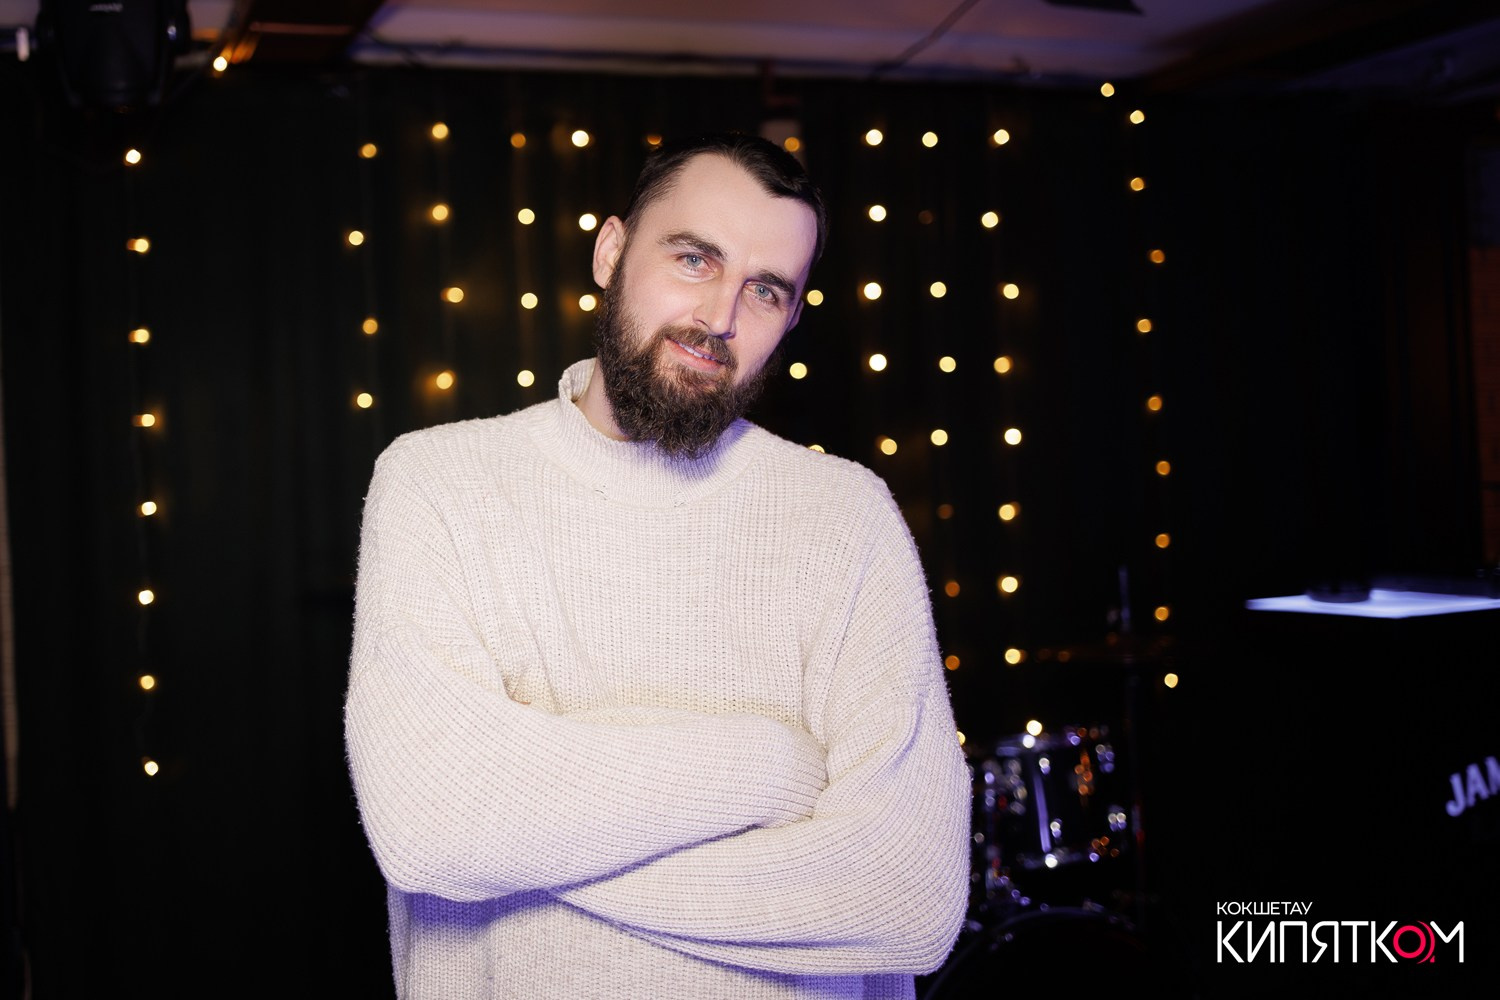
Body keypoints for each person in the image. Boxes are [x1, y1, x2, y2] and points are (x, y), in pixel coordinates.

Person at [344, 132, 971, 1000]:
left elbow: (909, 899)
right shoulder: (439, 483)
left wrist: (529, 851)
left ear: (792, 318)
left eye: (765, 290)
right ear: (611, 252)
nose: (719, 316)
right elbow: (432, 827)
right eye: (693, 259)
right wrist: (774, 771)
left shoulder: (844, 516)